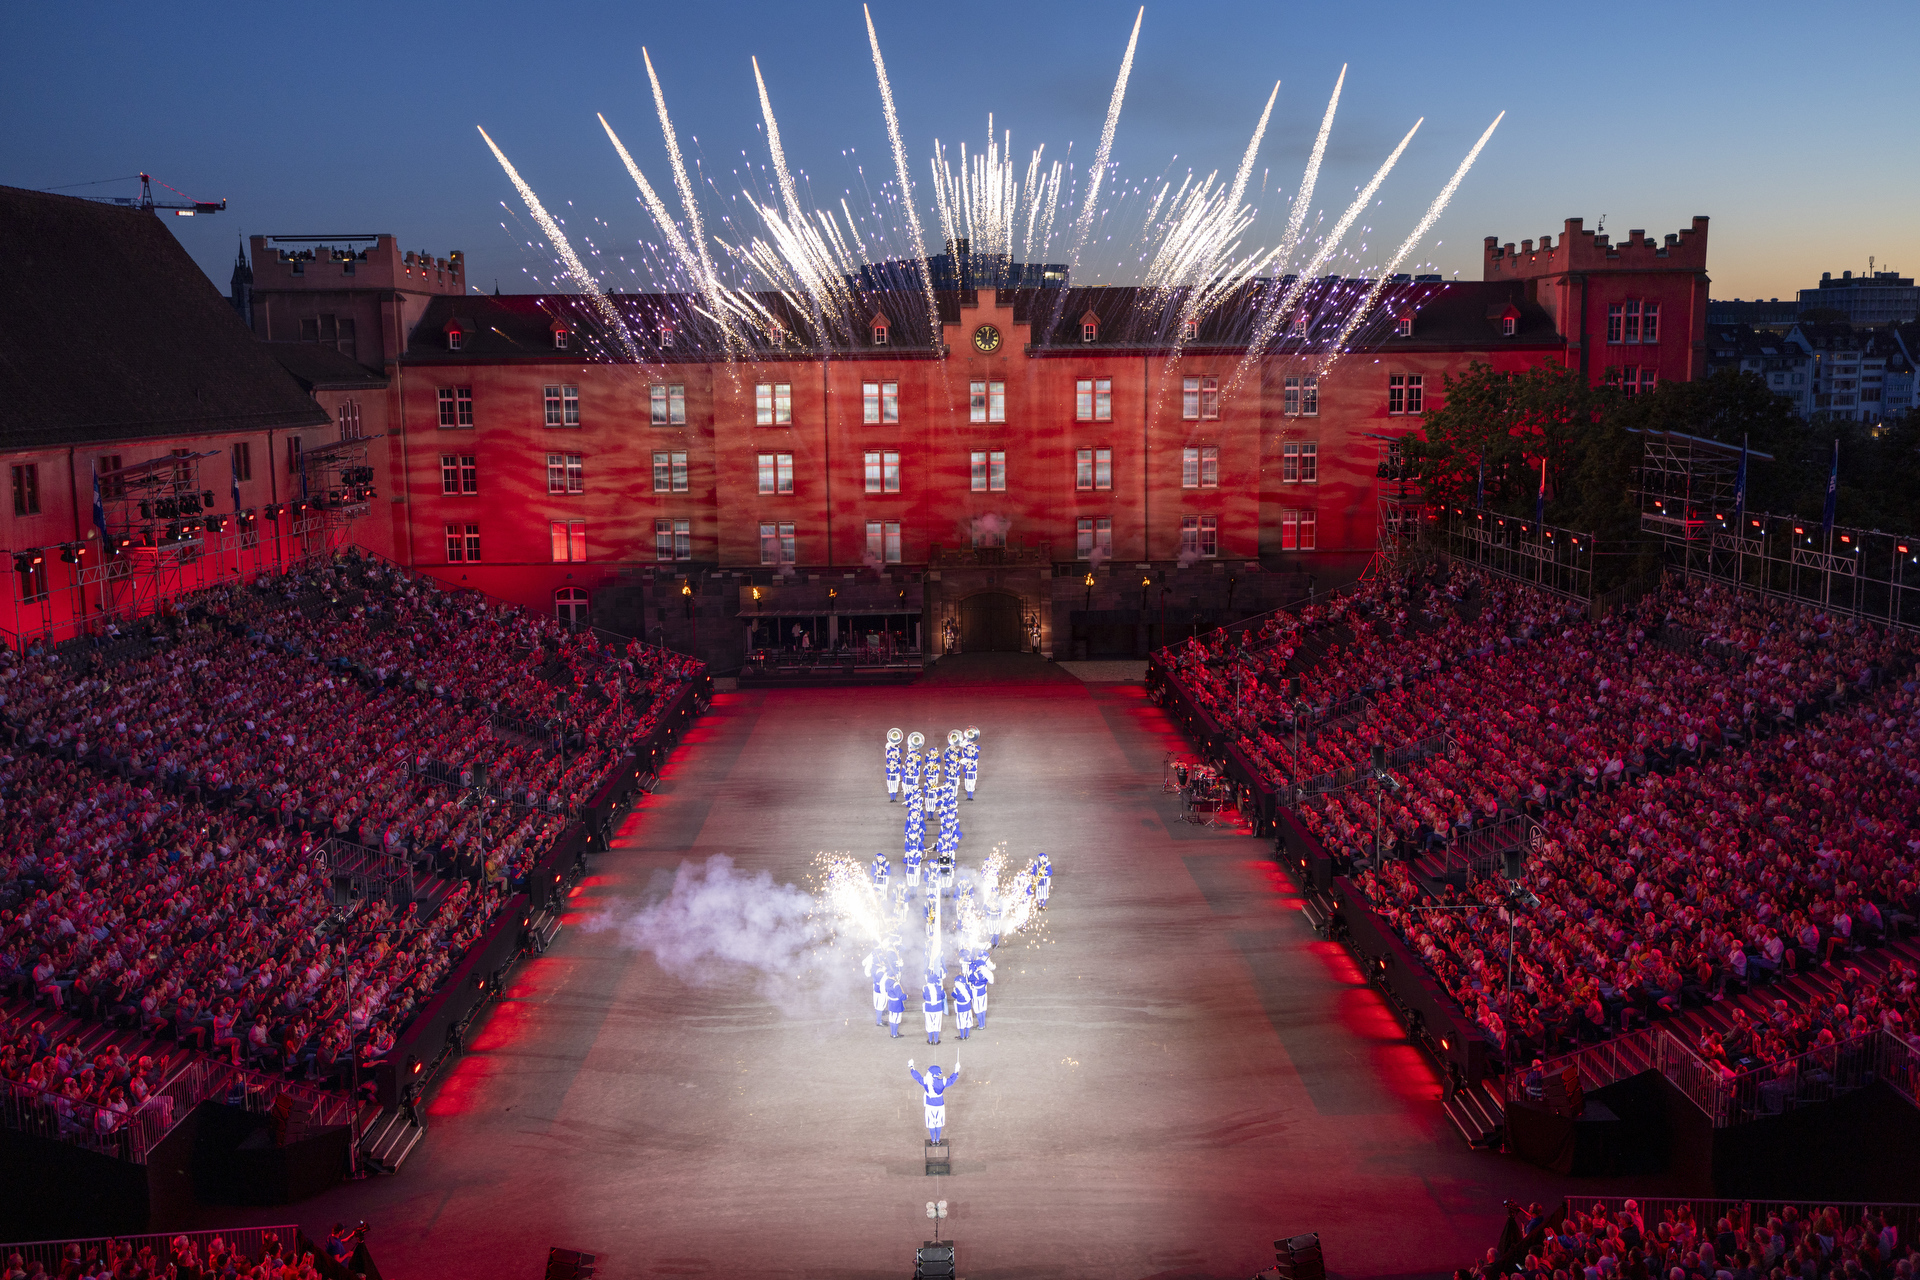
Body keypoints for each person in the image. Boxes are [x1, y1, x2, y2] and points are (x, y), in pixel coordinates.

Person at [906, 1057, 960, 1144]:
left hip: (929, 1105)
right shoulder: (942, 1082)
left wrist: (911, 1067)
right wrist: (956, 1071)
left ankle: (932, 1140)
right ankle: (938, 1140)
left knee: (931, 1122)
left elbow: (917, 1076)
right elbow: (952, 1080)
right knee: (939, 1122)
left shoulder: (925, 1081)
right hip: (939, 1104)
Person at [921, 968, 946, 1045]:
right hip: (938, 1008)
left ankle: (930, 1040)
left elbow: (924, 997)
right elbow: (943, 996)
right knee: (937, 1023)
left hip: (928, 1008)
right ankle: (936, 1040)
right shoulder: (940, 987)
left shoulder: (925, 988)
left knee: (929, 1023)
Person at [951, 967, 974, 1040]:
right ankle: (967, 1035)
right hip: (968, 1007)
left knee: (961, 1022)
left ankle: (962, 1036)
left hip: (960, 1008)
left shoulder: (956, 990)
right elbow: (971, 995)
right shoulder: (967, 988)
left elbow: (953, 995)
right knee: (968, 1021)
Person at [884, 971, 905, 1039]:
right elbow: (900, 996)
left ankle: (892, 1032)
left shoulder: (887, 981)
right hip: (897, 1003)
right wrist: (905, 996)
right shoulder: (896, 984)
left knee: (892, 1018)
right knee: (896, 1019)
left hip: (890, 1001)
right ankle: (894, 1034)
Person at [885, 727, 903, 802]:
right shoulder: (889, 748)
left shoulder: (897, 750)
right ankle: (892, 798)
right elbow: (887, 759)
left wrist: (897, 747)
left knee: (895, 784)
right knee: (890, 786)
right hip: (891, 772)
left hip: (896, 767)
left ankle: (894, 797)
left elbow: (901, 753)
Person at [962, 728, 980, 800]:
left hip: (972, 769)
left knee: (972, 783)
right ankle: (969, 795)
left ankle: (970, 796)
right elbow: (964, 753)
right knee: (967, 784)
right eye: (968, 746)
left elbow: (977, 753)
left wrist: (974, 747)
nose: (969, 747)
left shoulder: (974, 750)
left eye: (970, 746)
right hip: (967, 769)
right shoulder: (965, 750)